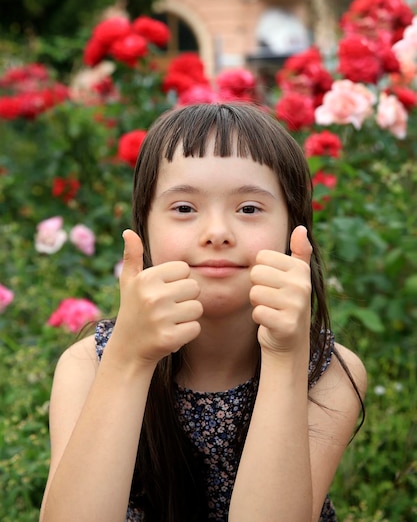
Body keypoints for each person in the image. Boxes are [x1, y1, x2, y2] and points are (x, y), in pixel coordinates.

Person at [40, 103, 367, 522]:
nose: (216, 233)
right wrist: (129, 359)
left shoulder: (328, 372)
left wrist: (286, 357)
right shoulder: (90, 364)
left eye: (249, 209)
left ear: (293, 230)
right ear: (143, 230)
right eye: (184, 208)